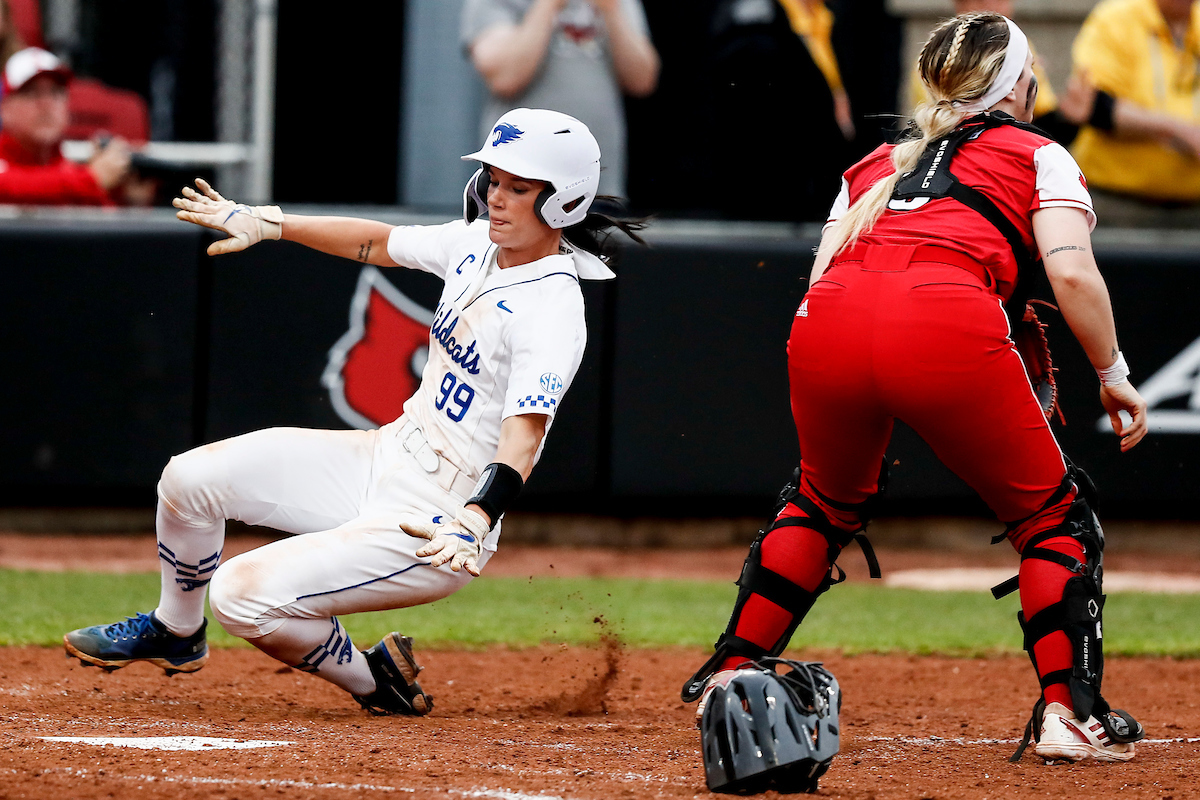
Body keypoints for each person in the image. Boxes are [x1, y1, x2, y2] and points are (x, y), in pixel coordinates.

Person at [63, 108, 644, 716]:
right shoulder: (476, 245)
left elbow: (524, 434)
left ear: (562, 202)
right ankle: (176, 631)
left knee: (240, 596)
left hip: (438, 520)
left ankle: (373, 680)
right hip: (387, 454)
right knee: (186, 480)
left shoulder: (552, 307)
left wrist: (477, 516)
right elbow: (377, 241)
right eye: (493, 180)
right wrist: (271, 223)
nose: (497, 198)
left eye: (518, 188)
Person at [683, 13, 1150, 764]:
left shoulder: (873, 163)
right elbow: (1069, 273)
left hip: (825, 323)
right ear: (1019, 85)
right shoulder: (1040, 152)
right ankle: (1071, 714)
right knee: (1055, 518)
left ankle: (732, 670)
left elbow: (820, 279)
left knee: (820, 501)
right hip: (942, 321)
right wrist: (1113, 373)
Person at [461, 0, 659, 198]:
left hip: (598, 187)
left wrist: (611, 11)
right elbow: (504, 77)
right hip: (520, 187)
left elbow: (642, 81)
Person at [1070, 0, 1200, 215]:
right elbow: (1098, 105)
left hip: (1192, 202)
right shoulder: (1117, 18)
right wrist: (1181, 131)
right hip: (1116, 199)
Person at [0, 46, 134, 205]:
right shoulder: (83, 180)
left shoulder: (74, 173)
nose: (46, 104)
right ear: (4, 107)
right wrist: (90, 180)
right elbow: (10, 186)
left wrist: (131, 200)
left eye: (56, 92)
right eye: (31, 93)